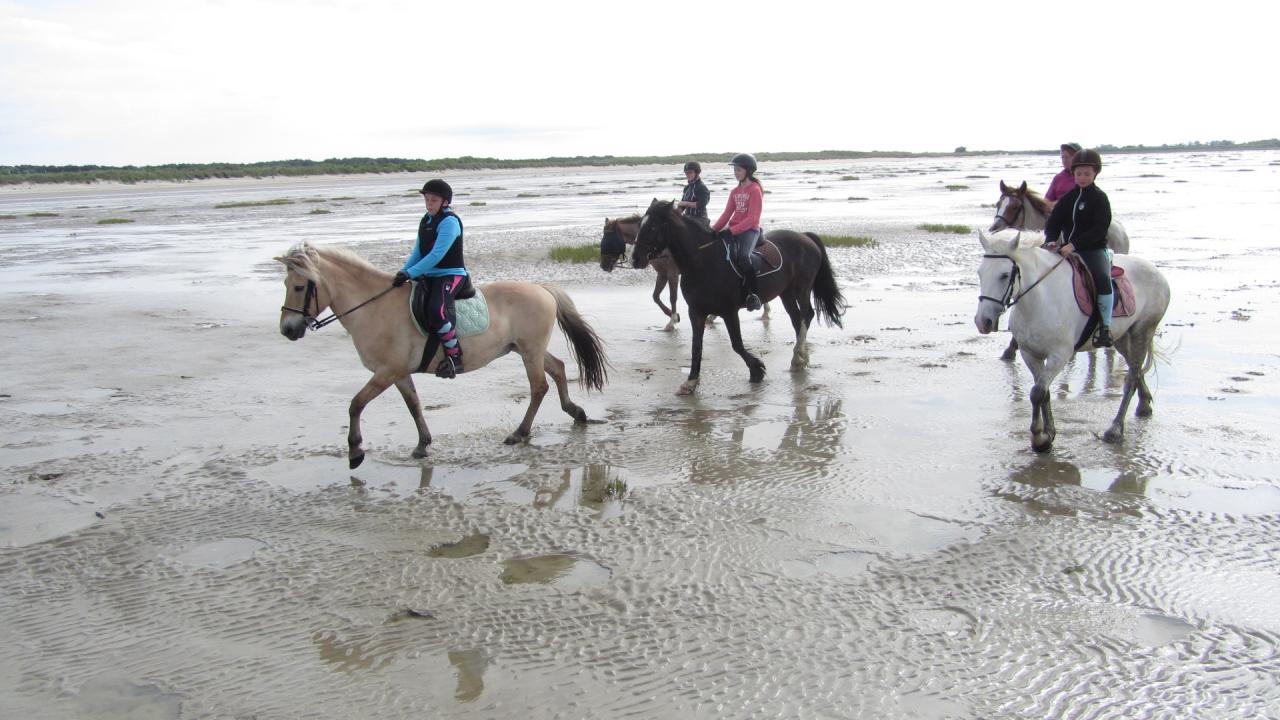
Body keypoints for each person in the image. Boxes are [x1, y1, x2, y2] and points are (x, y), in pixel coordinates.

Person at [392, 178, 469, 378]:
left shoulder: (450, 222)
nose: (429, 204)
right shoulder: (426, 221)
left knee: (437, 310)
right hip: (428, 276)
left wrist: (411, 273)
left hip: (451, 275)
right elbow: (417, 252)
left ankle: (454, 357)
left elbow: (436, 255)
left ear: (444, 202)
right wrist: (402, 272)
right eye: (427, 199)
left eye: (433, 200)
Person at [1043, 148, 1114, 347]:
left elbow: (1099, 229)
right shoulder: (1067, 199)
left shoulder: (1100, 198)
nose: (1082, 177)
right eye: (1079, 173)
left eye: (1087, 174)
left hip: (1093, 250)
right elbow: (1054, 223)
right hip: (1066, 248)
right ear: (1073, 174)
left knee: (1102, 278)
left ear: (1094, 174)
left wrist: (1074, 245)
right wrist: (1051, 239)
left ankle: (1105, 327)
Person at [710, 153, 764, 311]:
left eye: (738, 170)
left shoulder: (755, 190)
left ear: (748, 171)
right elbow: (727, 214)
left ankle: (753, 295)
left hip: (750, 231)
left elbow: (753, 218)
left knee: (743, 256)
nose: (736, 173)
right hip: (734, 229)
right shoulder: (734, 191)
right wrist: (714, 230)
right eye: (735, 170)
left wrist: (731, 231)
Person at [676, 161, 711, 225]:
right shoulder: (686, 188)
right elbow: (682, 206)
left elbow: (702, 204)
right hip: (688, 218)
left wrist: (686, 203)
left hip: (700, 220)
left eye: (690, 173)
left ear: (697, 172)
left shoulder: (701, 187)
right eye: (686, 173)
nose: (688, 175)